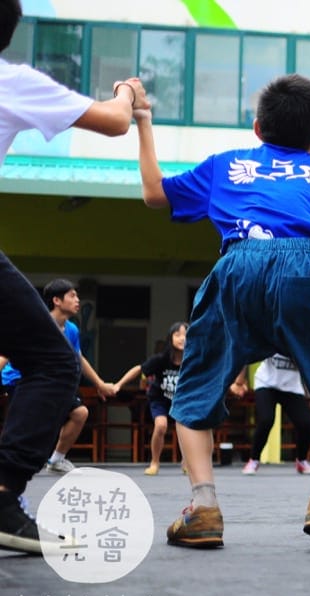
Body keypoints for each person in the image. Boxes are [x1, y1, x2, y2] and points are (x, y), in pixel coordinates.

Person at [132, 73, 310, 549]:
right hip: (308, 272)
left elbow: (154, 192)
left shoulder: (226, 164)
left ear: (257, 128)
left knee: (192, 395)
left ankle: (203, 508)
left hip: (238, 269)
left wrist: (143, 119)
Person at [0, 0, 148, 554]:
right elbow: (113, 122)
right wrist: (127, 92)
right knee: (53, 363)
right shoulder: (11, 81)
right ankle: (2, 494)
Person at [1, 279, 118, 474]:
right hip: (20, 379)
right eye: (72, 296)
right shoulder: (37, 324)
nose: (77, 300)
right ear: (57, 300)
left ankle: (56, 461)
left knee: (79, 413)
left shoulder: (71, 330)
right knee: (24, 428)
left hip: (50, 381)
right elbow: (7, 353)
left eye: (77, 296)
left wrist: (100, 384)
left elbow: (78, 358)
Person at [114, 321, 189, 476]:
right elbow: (139, 369)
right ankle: (154, 462)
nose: (182, 338)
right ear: (170, 338)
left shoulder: (192, 361)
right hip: (160, 399)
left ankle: (186, 462)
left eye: (186, 335)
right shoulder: (161, 359)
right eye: (178, 335)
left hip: (181, 401)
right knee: (161, 425)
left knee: (187, 430)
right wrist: (119, 384)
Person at [233, 354, 310, 476]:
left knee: (305, 423)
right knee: (266, 420)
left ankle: (302, 460)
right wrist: (239, 382)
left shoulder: (302, 344)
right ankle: (254, 459)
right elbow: (247, 353)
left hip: (291, 387)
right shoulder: (272, 340)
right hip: (266, 383)